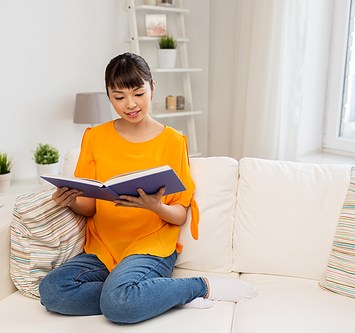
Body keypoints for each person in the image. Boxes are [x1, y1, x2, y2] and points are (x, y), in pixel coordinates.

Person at [38, 52, 257, 324]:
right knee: (51, 291)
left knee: (118, 304)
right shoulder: (95, 137)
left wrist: (156, 206)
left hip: (150, 246)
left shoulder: (173, 141)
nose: (130, 104)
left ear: (152, 88)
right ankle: (153, 296)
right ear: (109, 96)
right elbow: (90, 206)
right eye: (119, 97)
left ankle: (198, 287)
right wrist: (70, 200)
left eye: (138, 93)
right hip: (103, 248)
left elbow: (179, 214)